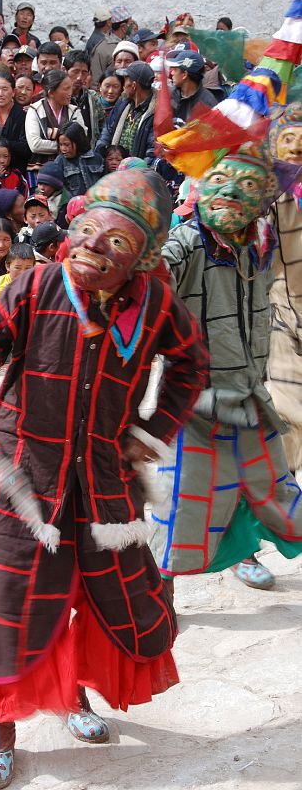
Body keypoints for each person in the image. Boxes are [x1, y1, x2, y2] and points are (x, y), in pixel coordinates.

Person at [0, 161, 208, 790]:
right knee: (14, 604)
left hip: (105, 479)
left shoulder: (157, 304)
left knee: (103, 594)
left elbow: (191, 364)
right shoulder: (34, 286)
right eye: (88, 231)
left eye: (116, 241)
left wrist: (151, 431)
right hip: (25, 479)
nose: (93, 247)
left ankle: (72, 697)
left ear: (140, 259)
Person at [149, 142, 302, 596]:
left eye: (247, 188)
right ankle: (159, 592)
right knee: (184, 500)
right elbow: (158, 275)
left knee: (272, 487)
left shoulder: (259, 241)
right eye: (220, 183)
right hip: (194, 401)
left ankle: (243, 551)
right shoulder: (187, 241)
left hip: (249, 392)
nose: (232, 195)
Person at [267, 103, 302, 477]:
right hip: (282, 315)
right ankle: (287, 494)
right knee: (288, 411)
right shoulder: (271, 193)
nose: (294, 149)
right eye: (287, 141)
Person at [25, 69, 86, 179]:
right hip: (41, 171)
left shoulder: (74, 111)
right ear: (51, 93)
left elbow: (82, 139)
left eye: (70, 88)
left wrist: (52, 137)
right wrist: (66, 145)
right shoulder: (35, 110)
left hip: (72, 170)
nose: (70, 93)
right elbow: (35, 144)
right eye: (66, 89)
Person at [96, 62, 156, 162]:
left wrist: (136, 171)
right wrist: (102, 152)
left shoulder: (155, 113)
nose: (123, 85)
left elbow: (152, 152)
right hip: (115, 170)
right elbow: (107, 130)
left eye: (125, 80)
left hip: (137, 173)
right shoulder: (122, 103)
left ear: (133, 86)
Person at [63, 50, 105, 148]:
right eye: (75, 72)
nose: (79, 77)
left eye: (84, 73)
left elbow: (102, 125)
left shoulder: (93, 98)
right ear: (65, 71)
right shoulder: (58, 97)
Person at [55, 121, 105, 198]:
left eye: (66, 144)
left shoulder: (97, 159)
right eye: (61, 145)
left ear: (78, 142)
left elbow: (106, 185)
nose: (63, 149)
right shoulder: (60, 162)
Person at [90, 6, 133, 89]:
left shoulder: (130, 44)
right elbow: (96, 81)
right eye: (130, 24)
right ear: (124, 26)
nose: (132, 27)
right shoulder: (102, 48)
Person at [166, 51, 217, 121]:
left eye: (175, 70)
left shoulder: (208, 104)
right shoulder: (169, 94)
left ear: (184, 74)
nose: (171, 73)